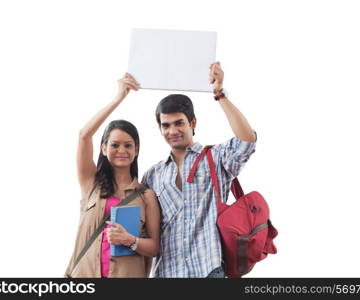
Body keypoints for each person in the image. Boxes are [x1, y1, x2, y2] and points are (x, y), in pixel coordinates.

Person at [141, 62, 257, 278]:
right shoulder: (152, 175)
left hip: (208, 269)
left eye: (179, 123)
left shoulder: (215, 157)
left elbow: (246, 141)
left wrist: (220, 94)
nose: (172, 130)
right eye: (166, 125)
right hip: (167, 272)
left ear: (192, 122)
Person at [65, 73, 160, 278]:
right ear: (104, 148)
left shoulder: (146, 196)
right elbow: (84, 135)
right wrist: (119, 97)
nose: (121, 150)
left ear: (136, 150)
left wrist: (129, 240)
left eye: (128, 145)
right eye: (114, 145)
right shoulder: (90, 183)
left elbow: (155, 248)